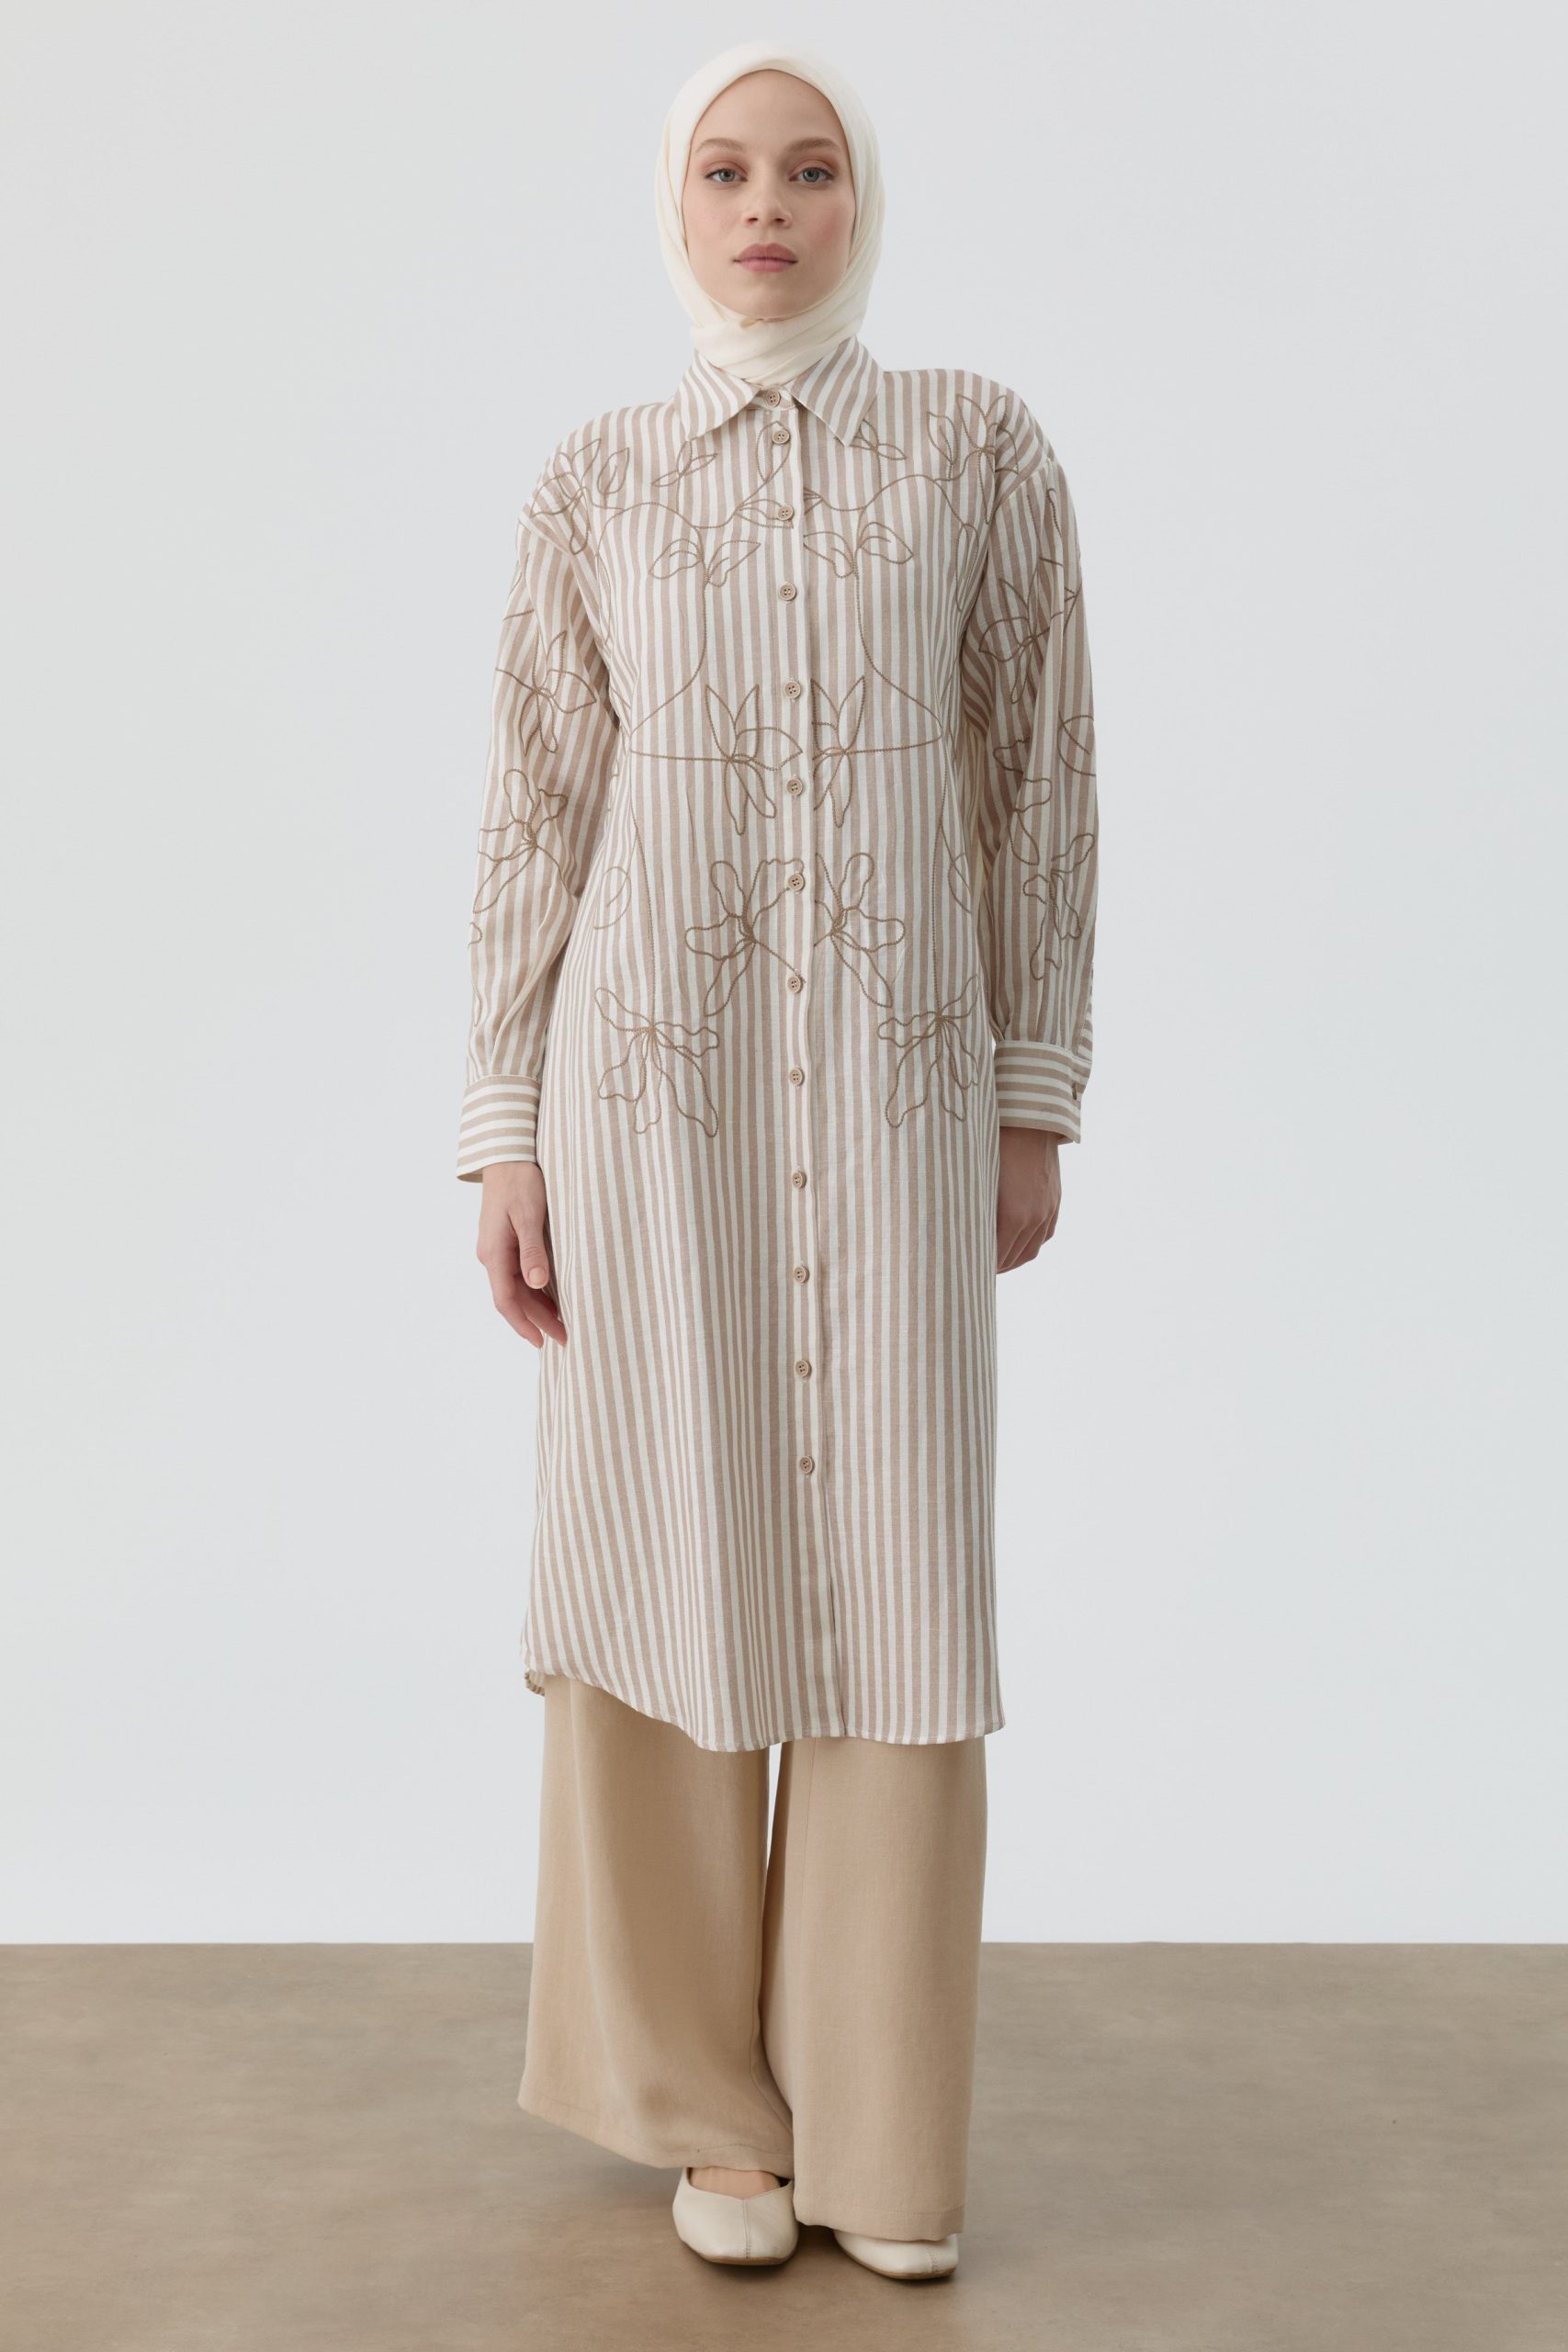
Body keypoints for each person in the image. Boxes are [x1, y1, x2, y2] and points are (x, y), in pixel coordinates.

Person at [457, 40, 1098, 2282]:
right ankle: (705, 2112)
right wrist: (500, 1127)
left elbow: (1036, 780)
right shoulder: (595, 481)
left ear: (859, 199)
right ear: (676, 204)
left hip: (901, 1099)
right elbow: (535, 813)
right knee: (667, 1544)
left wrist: (1031, 1092)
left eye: (807, 169)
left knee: (895, 1572)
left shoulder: (978, 452)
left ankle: (878, 2131)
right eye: (725, 171)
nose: (765, 207)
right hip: (647, 1106)